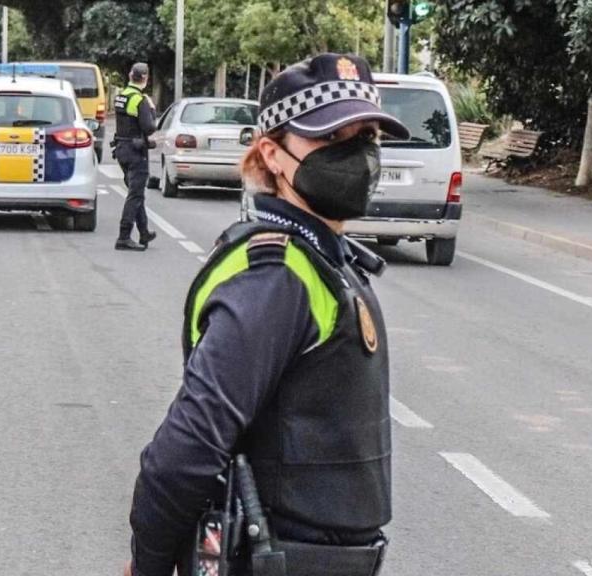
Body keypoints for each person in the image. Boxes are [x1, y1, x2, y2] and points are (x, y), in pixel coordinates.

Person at [124, 53, 411, 576]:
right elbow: (182, 454)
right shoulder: (276, 276)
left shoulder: (323, 260)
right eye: (332, 139)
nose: (359, 155)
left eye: (368, 136)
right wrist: (147, 569)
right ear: (272, 155)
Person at [113, 62, 158, 251]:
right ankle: (123, 237)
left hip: (121, 149)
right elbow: (149, 127)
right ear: (145, 78)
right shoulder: (139, 100)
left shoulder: (121, 96)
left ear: (130, 75)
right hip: (136, 152)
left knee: (136, 193)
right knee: (135, 195)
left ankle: (144, 231)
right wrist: (152, 109)